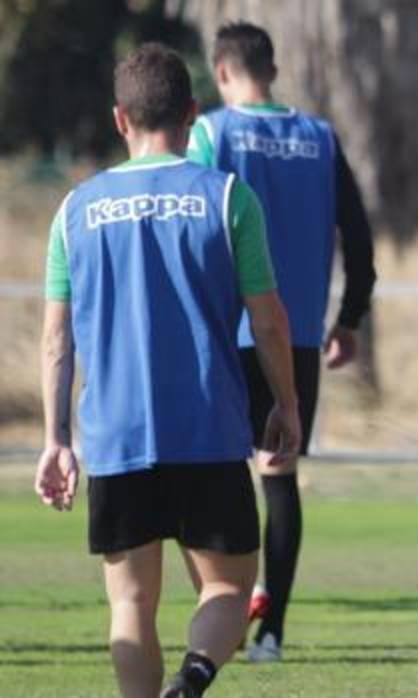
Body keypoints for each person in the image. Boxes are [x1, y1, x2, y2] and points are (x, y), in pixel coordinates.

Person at [34, 43, 300, 698]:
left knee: (130, 605)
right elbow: (268, 320)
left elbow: (55, 338)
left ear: (120, 119)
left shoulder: (75, 210)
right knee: (230, 586)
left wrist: (56, 439)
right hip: (206, 429)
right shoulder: (227, 197)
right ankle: (195, 677)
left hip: (116, 437)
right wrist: (286, 404)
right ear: (192, 113)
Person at [186, 21, 378, 662]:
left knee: (212, 473)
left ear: (221, 71)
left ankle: (223, 612)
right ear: (272, 68)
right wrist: (347, 318)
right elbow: (359, 236)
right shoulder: (319, 137)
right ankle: (271, 633)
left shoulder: (211, 132)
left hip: (222, 332)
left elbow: (191, 226)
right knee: (279, 475)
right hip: (293, 336)